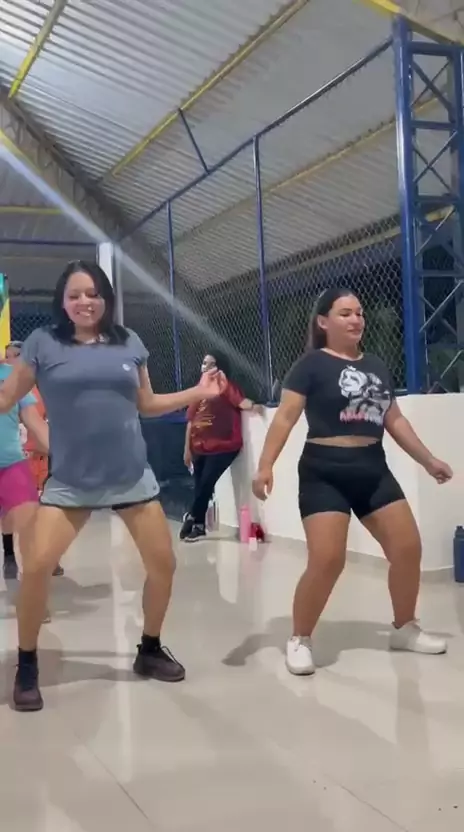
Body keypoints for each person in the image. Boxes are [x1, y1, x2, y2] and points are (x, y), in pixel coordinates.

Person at [0, 260, 226, 712]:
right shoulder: (44, 342)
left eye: (93, 294)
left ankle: (150, 648)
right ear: (62, 301)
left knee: (163, 566)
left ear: (106, 298)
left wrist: (198, 392)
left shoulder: (129, 342)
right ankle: (26, 663)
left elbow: (147, 403)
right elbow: (7, 397)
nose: (85, 302)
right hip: (71, 480)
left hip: (131, 476)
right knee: (37, 568)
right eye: (75, 295)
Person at [253, 287, 452, 676]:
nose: (356, 319)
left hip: (372, 468)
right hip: (323, 471)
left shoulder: (376, 365)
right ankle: (300, 638)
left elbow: (394, 419)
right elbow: (286, 417)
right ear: (323, 322)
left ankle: (404, 627)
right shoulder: (310, 365)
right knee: (328, 559)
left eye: (359, 313)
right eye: (345, 313)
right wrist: (265, 466)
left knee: (407, 548)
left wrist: (428, 460)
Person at [180, 352, 262, 542]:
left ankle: (192, 515)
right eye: (204, 363)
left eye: (211, 364)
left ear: (221, 367)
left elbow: (241, 402)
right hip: (198, 446)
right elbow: (190, 420)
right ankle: (199, 526)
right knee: (200, 486)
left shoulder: (225, 386)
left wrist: (255, 407)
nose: (206, 367)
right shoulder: (199, 390)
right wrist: (187, 449)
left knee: (206, 483)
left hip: (223, 446)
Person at [0, 341, 49, 580]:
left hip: (11, 462)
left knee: (30, 525)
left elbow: (34, 422)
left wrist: (63, 454)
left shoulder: (13, 377)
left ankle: (35, 588)